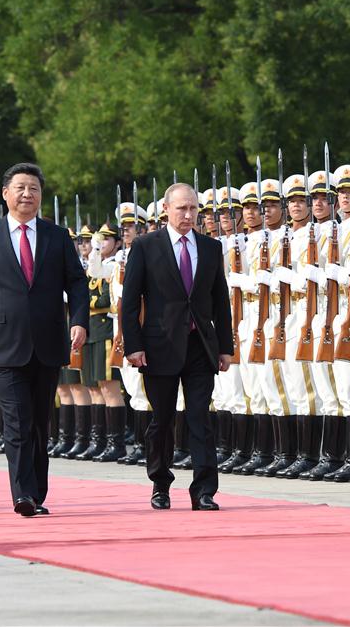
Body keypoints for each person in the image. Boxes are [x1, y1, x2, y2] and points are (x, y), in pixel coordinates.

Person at [0, 163, 89, 517]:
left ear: (41, 196)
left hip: (48, 341)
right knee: (15, 420)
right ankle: (23, 494)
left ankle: (37, 492)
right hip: (4, 342)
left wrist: (79, 321)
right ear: (6, 194)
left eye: (33, 188)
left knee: (38, 423)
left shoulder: (56, 236)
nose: (27, 194)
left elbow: (77, 282)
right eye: (20, 188)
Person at [121, 182, 233, 511]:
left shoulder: (210, 247)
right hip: (159, 347)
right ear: (166, 210)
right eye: (181, 208)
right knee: (163, 419)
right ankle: (160, 483)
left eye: (193, 208)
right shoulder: (145, 246)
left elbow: (220, 300)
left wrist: (225, 346)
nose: (188, 215)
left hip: (200, 345)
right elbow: (130, 302)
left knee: (200, 417)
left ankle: (204, 490)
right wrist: (134, 345)